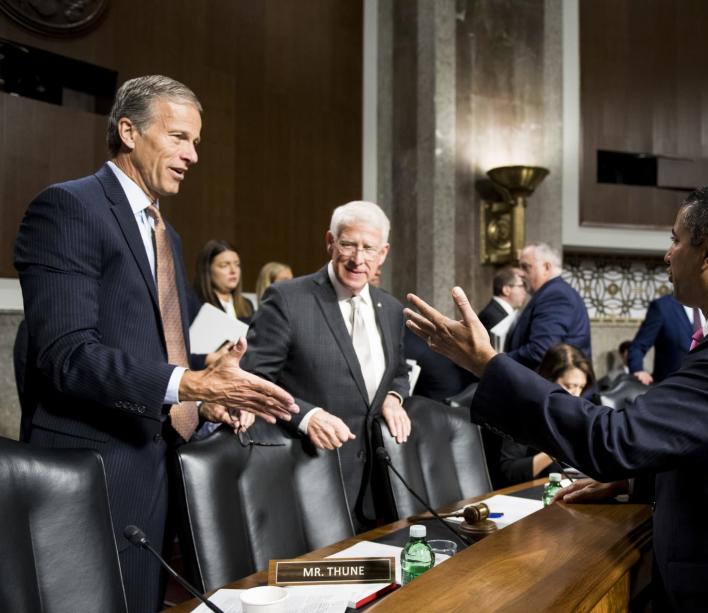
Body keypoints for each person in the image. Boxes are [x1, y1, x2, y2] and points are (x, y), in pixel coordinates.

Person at [405, 180, 708, 612]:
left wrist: (488, 365)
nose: (667, 255)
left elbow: (618, 440)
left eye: (676, 240)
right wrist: (634, 483)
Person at [14, 75, 297, 613]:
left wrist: (207, 394)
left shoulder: (167, 234)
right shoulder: (67, 208)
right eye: (179, 138)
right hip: (91, 472)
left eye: (196, 143)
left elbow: (157, 354)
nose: (192, 155)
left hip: (158, 466)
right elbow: (65, 355)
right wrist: (187, 382)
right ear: (128, 130)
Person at [241, 200, 411, 528]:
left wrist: (394, 397)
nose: (358, 259)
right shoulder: (287, 299)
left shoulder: (390, 309)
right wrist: (305, 416)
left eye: (369, 248)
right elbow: (254, 380)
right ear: (330, 242)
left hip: (377, 489)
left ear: (383, 253)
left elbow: (399, 372)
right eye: (348, 244)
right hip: (310, 479)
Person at [497, 343, 594, 487]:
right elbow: (510, 471)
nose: (576, 395)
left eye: (581, 387)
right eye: (568, 386)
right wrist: (559, 449)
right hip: (530, 491)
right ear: (547, 380)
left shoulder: (578, 408)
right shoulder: (523, 409)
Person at [505, 243, 591, 368]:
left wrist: (500, 359)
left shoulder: (555, 295)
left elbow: (541, 350)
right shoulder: (550, 292)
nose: (520, 273)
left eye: (525, 267)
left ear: (546, 267)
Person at [627, 294, 700, 385]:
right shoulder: (663, 307)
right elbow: (638, 346)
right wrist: (638, 370)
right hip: (671, 389)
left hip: (706, 389)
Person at [194, 239, 255, 323]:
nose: (233, 270)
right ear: (207, 270)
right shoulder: (196, 305)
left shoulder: (247, 305)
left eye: (237, 265)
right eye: (224, 265)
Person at [477, 266, 527, 333]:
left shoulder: (499, 313)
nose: (524, 292)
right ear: (506, 290)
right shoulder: (491, 316)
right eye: (521, 286)